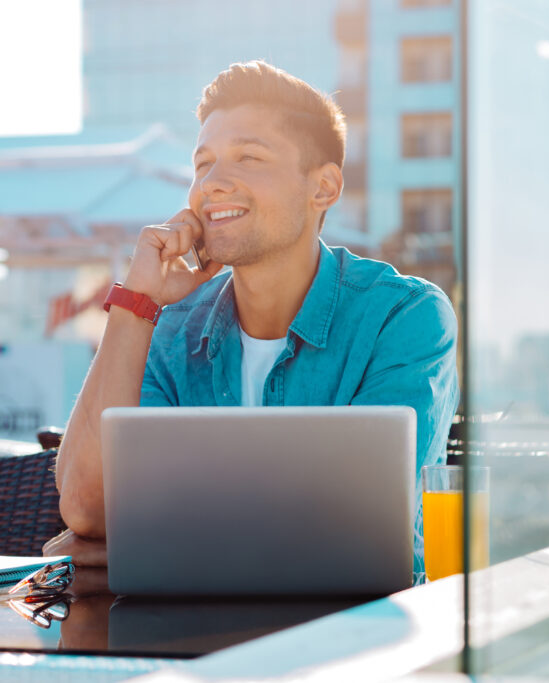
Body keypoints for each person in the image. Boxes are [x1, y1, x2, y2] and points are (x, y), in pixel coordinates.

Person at [45, 60, 460, 580]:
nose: (213, 184)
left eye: (248, 156)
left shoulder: (404, 317)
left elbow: (353, 528)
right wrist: (136, 303)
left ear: (323, 189)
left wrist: (145, 548)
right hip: (186, 636)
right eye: (203, 164)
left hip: (357, 635)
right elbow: (87, 509)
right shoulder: (171, 327)